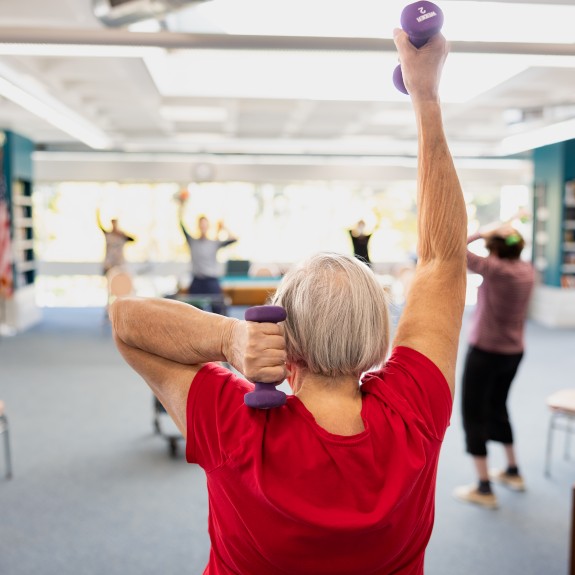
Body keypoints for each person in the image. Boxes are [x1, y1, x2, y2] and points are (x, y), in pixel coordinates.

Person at [109, 29, 466, 575]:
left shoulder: (235, 425)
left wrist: (229, 338)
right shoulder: (414, 408)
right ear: (378, 339)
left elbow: (125, 319)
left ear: (284, 334)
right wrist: (427, 95)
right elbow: (443, 259)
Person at [454, 224, 535, 509]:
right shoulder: (527, 270)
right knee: (498, 407)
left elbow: (457, 248)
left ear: (495, 248)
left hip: (486, 352)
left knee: (473, 413)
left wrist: (483, 232)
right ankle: (513, 471)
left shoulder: (496, 270)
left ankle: (483, 487)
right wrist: (499, 236)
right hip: (513, 352)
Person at [178, 199, 237, 315]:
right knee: (189, 312)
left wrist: (224, 227)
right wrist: (181, 206)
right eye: (201, 225)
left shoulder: (214, 242)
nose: (203, 227)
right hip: (197, 281)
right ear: (198, 226)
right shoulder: (192, 241)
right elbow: (181, 225)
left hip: (211, 281)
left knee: (220, 310)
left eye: (205, 225)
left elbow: (234, 239)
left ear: (208, 226)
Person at [97, 209, 135, 276]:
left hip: (120, 264)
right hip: (109, 264)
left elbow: (133, 240)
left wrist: (122, 234)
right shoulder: (108, 234)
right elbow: (100, 226)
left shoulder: (121, 235)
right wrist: (97, 212)